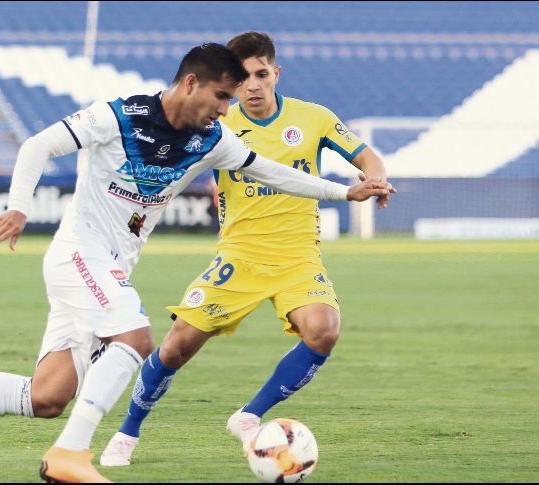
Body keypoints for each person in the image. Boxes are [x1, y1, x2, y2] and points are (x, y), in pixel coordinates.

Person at [0, 43, 391, 483]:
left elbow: (272, 172)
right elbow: (38, 146)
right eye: (222, 96)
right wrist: (19, 206)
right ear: (191, 84)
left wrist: (345, 192)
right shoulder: (119, 116)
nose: (227, 109)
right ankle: (70, 455)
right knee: (135, 339)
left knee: (46, 396)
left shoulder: (211, 139)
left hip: (108, 267)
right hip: (79, 255)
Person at [101, 32, 396, 467]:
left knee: (324, 329)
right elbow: (169, 181)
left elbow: (366, 155)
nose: (253, 85)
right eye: (243, 79)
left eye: (261, 74)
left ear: (276, 73)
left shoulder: (313, 118)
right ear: (230, 83)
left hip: (298, 256)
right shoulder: (217, 130)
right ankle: (127, 432)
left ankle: (250, 414)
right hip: (238, 258)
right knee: (176, 346)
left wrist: (376, 178)